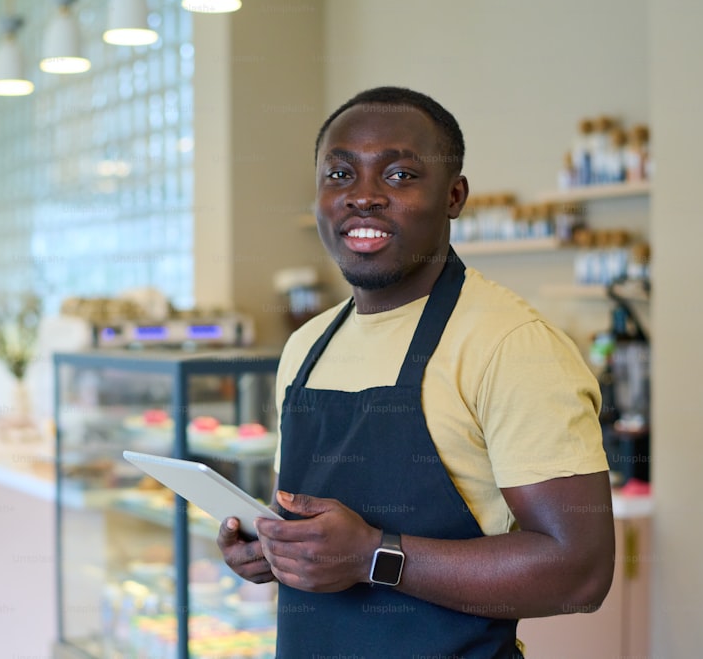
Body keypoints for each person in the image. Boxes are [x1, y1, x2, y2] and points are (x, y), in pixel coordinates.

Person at [217, 86, 615, 658]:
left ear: (454, 196)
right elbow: (316, 533)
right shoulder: (306, 346)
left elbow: (580, 572)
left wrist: (371, 556)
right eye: (339, 175)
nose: (364, 197)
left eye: (400, 175)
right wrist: (276, 550)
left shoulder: (511, 345)